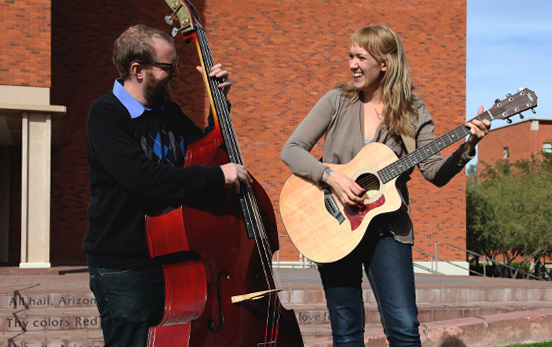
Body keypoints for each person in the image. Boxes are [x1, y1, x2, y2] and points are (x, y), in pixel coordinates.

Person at [280, 25, 491, 346]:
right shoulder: (337, 100)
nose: (352, 64)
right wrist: (332, 177)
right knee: (347, 329)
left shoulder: (413, 110)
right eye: (350, 56)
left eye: (360, 57)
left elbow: (433, 173)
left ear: (385, 64)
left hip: (388, 230)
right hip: (333, 226)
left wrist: (468, 147)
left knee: (405, 327)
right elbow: (291, 150)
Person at [83, 24, 251, 346]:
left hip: (174, 256)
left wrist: (220, 104)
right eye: (168, 66)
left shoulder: (167, 112)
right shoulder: (106, 114)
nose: (176, 73)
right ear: (138, 70)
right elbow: (143, 179)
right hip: (125, 265)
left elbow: (207, 153)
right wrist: (218, 177)